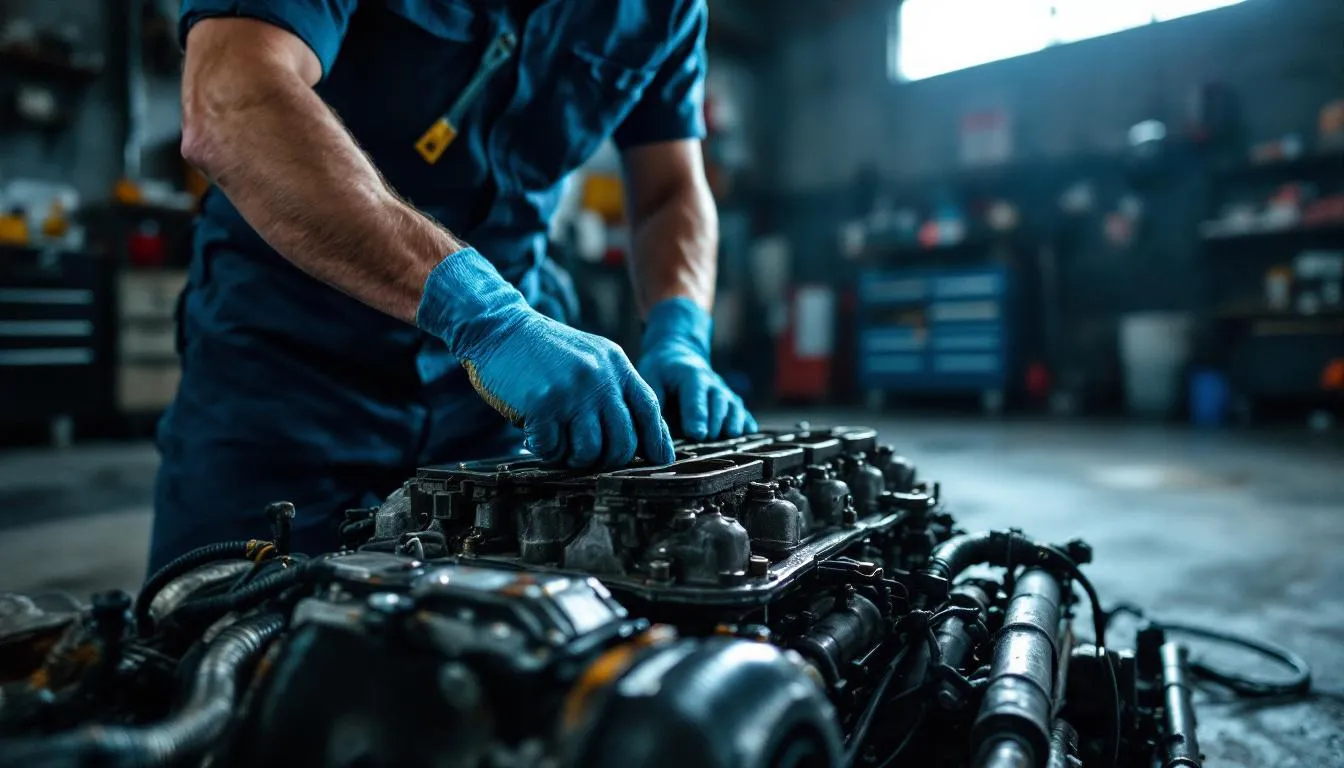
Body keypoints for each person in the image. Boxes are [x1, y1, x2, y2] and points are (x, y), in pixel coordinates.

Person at [150, 0, 755, 571]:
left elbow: (670, 189)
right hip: (285, 385)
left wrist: (680, 335)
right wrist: (486, 316)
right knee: (223, 638)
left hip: (505, 410)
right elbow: (234, 98)